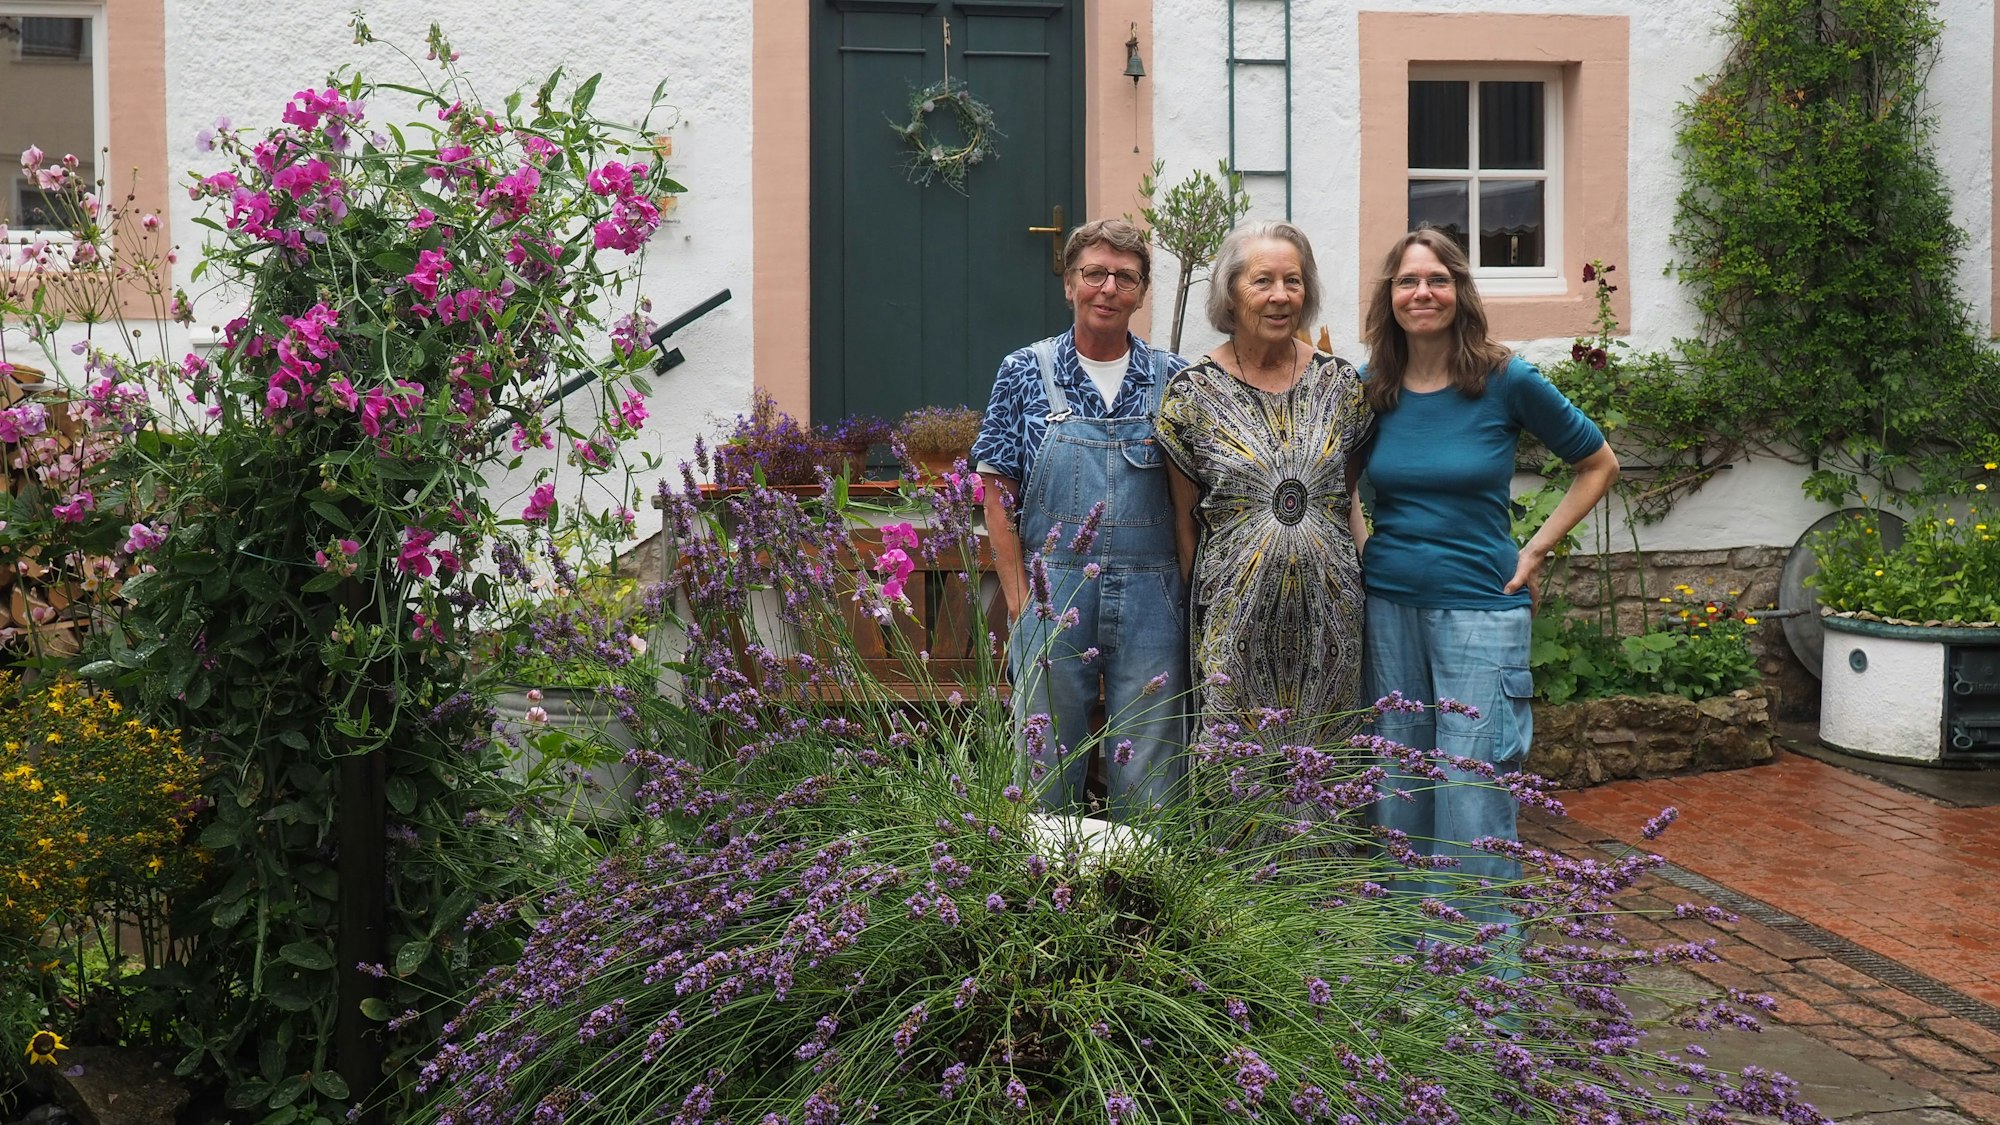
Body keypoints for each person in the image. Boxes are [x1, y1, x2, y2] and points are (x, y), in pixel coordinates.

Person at [1358, 226, 1620, 931]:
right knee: (1398, 792)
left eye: (1437, 279)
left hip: (1480, 611)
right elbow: (1340, 486)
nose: (1423, 292)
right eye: (1408, 280)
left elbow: (1599, 463)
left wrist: (1533, 552)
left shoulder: (1507, 380)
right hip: (1390, 611)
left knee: (1472, 799)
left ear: (1459, 291)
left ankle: (1482, 998)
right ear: (1390, 296)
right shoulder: (1370, 388)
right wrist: (1366, 548)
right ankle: (1404, 978)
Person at [971, 218, 1189, 822]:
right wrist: (1021, 602)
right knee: (1046, 760)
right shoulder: (1024, 371)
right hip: (1053, 588)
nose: (1108, 288)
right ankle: (1044, 900)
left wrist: (1191, 592)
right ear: (1069, 284)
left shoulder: (1174, 378)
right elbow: (997, 496)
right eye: (1094, 273)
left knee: (1150, 759)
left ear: (1142, 292)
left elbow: (1192, 500)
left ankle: (1146, 903)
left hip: (1154, 591)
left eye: (1125, 277)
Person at [1154, 220, 1373, 753]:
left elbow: (1344, 497)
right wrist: (1211, 603)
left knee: (1324, 769)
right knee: (1238, 765)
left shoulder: (1340, 384)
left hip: (1331, 618)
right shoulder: (1193, 394)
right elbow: (1185, 523)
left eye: (1293, 282)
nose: (1280, 296)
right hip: (1233, 618)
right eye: (1262, 282)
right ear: (1230, 293)